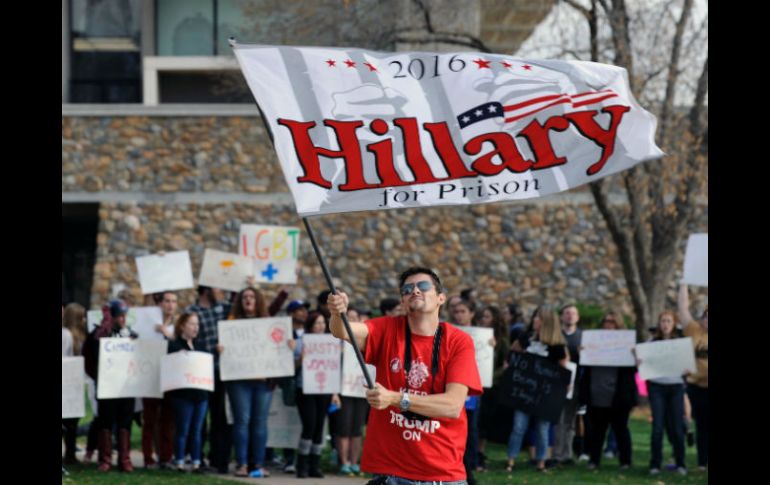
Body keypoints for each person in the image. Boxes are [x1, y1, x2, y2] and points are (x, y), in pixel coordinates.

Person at [328, 267, 482, 484]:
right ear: (402, 301)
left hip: (440, 474)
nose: (415, 291)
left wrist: (395, 398)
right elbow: (342, 331)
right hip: (391, 472)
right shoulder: (387, 328)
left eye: (423, 286)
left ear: (441, 298)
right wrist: (337, 313)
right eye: (407, 289)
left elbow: (452, 406)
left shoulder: (458, 341)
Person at [505, 305, 569, 473]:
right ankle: (511, 459)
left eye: (539, 318)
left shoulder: (557, 346)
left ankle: (541, 461)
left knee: (542, 429)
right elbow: (512, 354)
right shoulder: (525, 338)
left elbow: (563, 369)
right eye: (535, 317)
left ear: (547, 322)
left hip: (545, 396)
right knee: (518, 427)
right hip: (523, 392)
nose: (535, 320)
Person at [580, 312, 638, 470]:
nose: (608, 324)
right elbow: (585, 366)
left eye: (612, 321)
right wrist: (583, 352)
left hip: (619, 394)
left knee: (621, 429)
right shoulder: (593, 342)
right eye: (606, 321)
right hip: (597, 392)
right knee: (597, 430)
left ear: (618, 324)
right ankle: (594, 460)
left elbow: (634, 370)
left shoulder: (627, 344)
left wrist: (634, 356)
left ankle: (625, 461)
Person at [294, 311, 341, 478]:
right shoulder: (300, 343)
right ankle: (302, 465)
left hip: (325, 390)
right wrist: (301, 358)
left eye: (323, 323)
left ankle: (315, 465)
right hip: (305, 389)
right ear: (310, 325)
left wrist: (335, 393)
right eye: (317, 323)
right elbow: (292, 368)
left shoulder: (331, 342)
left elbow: (333, 368)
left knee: (320, 427)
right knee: (309, 425)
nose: (320, 326)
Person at [641, 311, 688, 476]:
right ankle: (655, 464)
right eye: (663, 321)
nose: (665, 324)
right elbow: (643, 364)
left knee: (676, 427)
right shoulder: (652, 342)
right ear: (659, 324)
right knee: (657, 428)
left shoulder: (681, 342)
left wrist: (688, 368)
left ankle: (681, 463)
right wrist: (638, 359)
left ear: (674, 323)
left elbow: (688, 365)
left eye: (668, 321)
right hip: (657, 388)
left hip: (675, 387)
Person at [166, 312, 210, 473]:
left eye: (197, 324)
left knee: (197, 430)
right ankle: (179, 461)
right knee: (183, 428)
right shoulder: (174, 346)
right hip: (183, 396)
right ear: (183, 325)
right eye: (192, 324)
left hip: (200, 395)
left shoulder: (201, 347)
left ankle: (197, 462)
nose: (195, 327)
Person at [678, 283, 708, 471]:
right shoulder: (693, 329)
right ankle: (702, 462)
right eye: (707, 316)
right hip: (696, 386)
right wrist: (683, 283)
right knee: (702, 426)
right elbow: (682, 307)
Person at [553, 303, 583, 465]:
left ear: (577, 317)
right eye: (567, 313)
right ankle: (557, 454)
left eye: (573, 313)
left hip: (575, 383)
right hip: (557, 383)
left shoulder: (582, 336)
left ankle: (567, 454)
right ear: (561, 316)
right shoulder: (556, 336)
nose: (570, 316)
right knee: (558, 419)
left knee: (571, 420)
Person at [62, 303, 87, 465]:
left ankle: (70, 454)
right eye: (82, 316)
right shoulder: (65, 334)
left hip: (75, 382)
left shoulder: (78, 335)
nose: (84, 320)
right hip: (66, 381)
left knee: (73, 421)